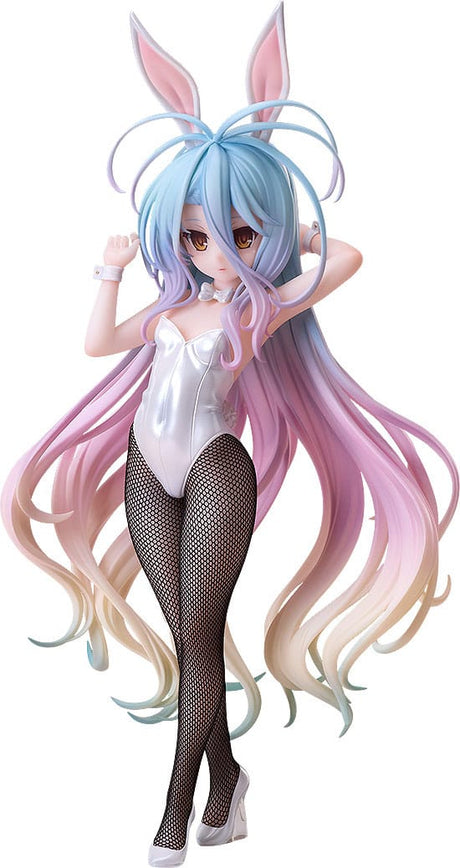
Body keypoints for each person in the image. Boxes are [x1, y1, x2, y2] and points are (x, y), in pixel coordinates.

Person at [2, 5, 458, 867]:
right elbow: (96, 344)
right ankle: (230, 782)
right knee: (191, 641)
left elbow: (350, 257)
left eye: (236, 233)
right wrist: (108, 269)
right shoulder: (168, 307)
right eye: (193, 234)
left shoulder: (260, 308)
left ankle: (175, 815)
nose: (211, 250)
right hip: (147, 467)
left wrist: (294, 237)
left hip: (215, 466)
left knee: (201, 637)